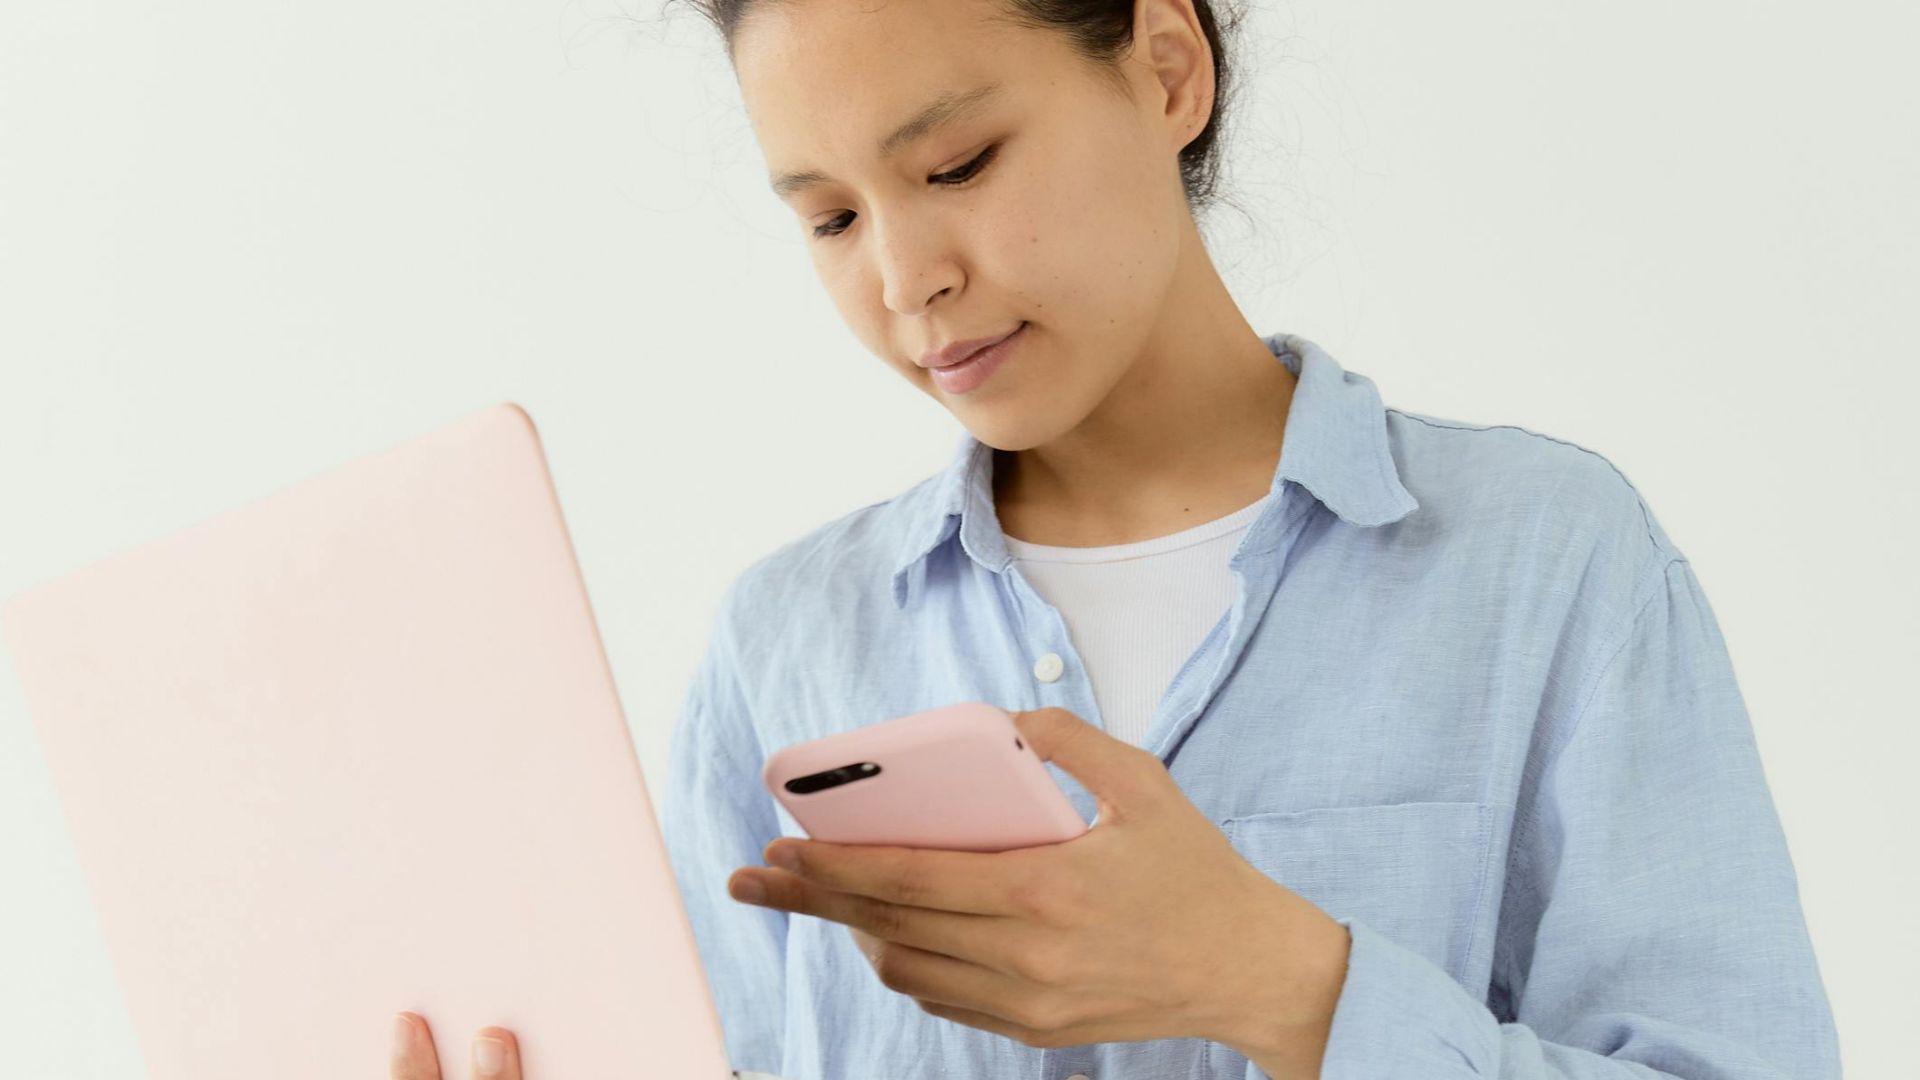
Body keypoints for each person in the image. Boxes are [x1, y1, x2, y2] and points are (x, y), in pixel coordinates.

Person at [386, 1, 1842, 1078]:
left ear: (1165, 66)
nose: (908, 278)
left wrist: (1285, 982)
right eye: (830, 217)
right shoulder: (790, 643)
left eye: (956, 164)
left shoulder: (1543, 565)